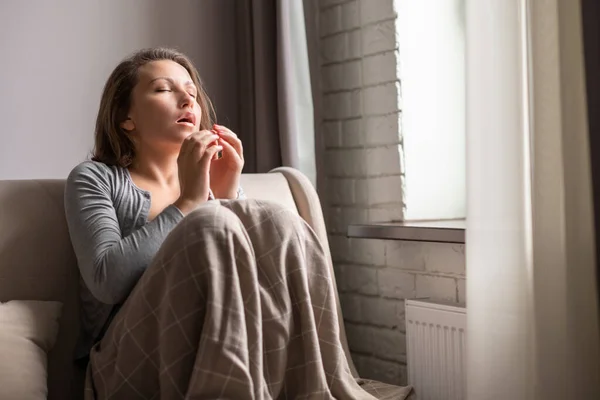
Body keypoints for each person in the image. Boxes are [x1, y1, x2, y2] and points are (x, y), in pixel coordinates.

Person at [64, 47, 402, 399]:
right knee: (212, 223)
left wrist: (224, 196)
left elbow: (251, 288)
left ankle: (313, 389)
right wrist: (192, 203)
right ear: (125, 117)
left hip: (224, 349)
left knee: (276, 219)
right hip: (123, 363)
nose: (186, 99)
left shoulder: (207, 190)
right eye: (164, 89)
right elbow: (105, 280)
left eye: (192, 93)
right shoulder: (94, 178)